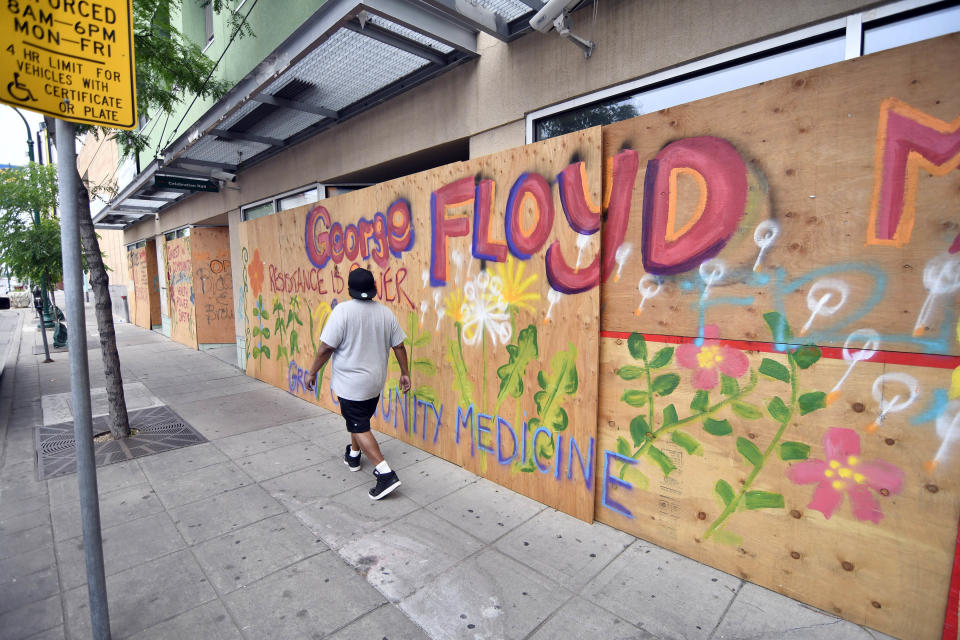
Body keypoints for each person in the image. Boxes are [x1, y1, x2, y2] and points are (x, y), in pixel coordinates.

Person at [305, 267, 411, 500]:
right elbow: (399, 346)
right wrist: (405, 373)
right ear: (373, 288)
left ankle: (385, 474)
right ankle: (353, 455)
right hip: (374, 384)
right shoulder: (386, 313)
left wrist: (312, 372)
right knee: (358, 421)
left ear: (350, 288)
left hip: (351, 385)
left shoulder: (342, 311)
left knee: (358, 424)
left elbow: (326, 347)